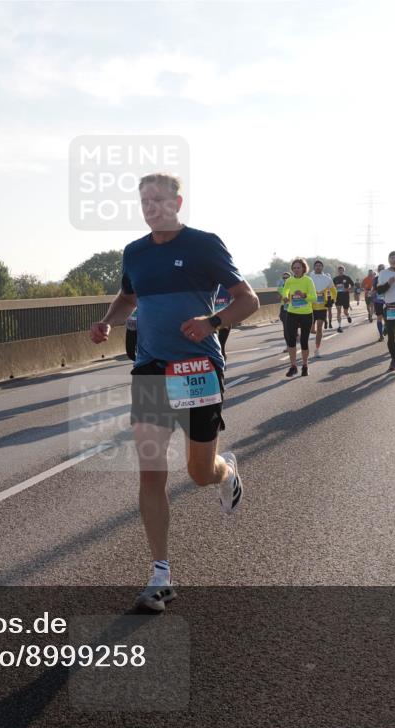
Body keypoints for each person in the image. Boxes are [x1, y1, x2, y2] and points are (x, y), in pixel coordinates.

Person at [89, 173, 258, 613]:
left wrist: (212, 323)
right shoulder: (135, 252)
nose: (150, 207)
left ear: (177, 202)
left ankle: (227, 473)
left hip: (197, 368)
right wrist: (108, 319)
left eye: (158, 200)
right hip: (149, 369)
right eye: (144, 201)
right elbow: (128, 298)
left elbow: (248, 300)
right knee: (150, 472)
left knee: (199, 472)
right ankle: (160, 574)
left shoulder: (204, 245)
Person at [281, 258, 317, 377]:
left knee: (303, 341)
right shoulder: (289, 281)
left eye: (298, 267)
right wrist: (285, 296)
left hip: (306, 314)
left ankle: (305, 366)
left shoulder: (308, 280)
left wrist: (303, 295)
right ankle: (293, 366)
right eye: (294, 268)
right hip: (292, 313)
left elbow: (314, 298)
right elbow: (284, 290)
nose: (296, 270)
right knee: (291, 340)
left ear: (303, 268)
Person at [308, 260, 335, 358]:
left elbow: (333, 291)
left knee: (319, 328)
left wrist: (332, 300)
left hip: (322, 307)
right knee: (309, 330)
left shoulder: (327, 279)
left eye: (320, 266)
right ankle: (305, 348)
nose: (318, 267)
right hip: (310, 307)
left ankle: (317, 349)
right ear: (314, 267)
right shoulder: (309, 278)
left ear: (322, 267)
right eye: (316, 266)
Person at [332, 265, 354, 333]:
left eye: (341, 270)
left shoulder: (347, 278)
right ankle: (339, 326)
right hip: (338, 297)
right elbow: (332, 287)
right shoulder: (335, 279)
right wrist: (334, 288)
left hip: (345, 297)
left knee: (345, 312)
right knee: (339, 312)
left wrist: (347, 289)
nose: (340, 271)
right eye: (339, 270)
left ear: (343, 271)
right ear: (338, 271)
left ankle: (348, 316)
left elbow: (353, 285)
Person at [214, 285, 233, 360]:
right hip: (224, 318)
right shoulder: (226, 283)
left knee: (219, 346)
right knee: (220, 347)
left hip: (219, 318)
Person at [372, 263, 387, 341]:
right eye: (380, 269)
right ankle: (381, 335)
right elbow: (374, 290)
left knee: (387, 318)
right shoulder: (376, 279)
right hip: (378, 301)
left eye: (383, 269)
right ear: (378, 270)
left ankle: (385, 328)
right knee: (379, 318)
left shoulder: (388, 277)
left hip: (387, 301)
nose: (381, 270)